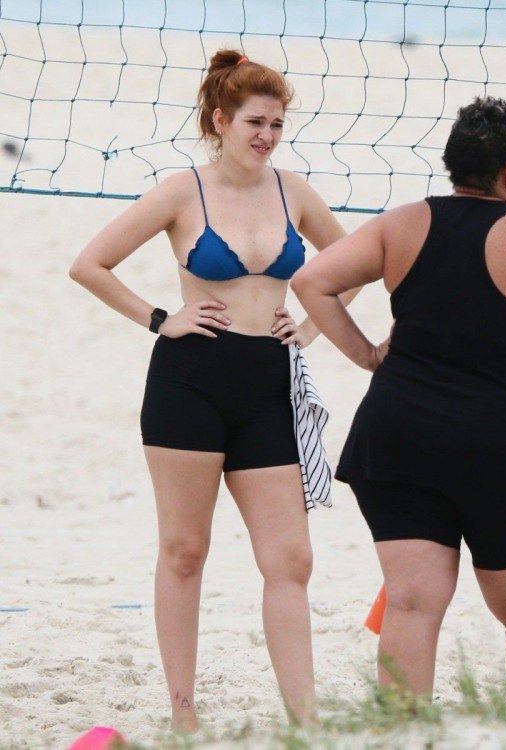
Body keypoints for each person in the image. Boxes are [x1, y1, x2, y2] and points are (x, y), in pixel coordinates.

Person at [291, 96, 506, 715]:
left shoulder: (402, 223)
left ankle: (403, 737)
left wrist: (366, 355)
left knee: (412, 602)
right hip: (495, 447)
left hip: (397, 436)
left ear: (452, 164)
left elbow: (311, 282)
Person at [69, 50, 353, 730]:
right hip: (189, 381)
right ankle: (183, 712)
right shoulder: (180, 192)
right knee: (184, 550)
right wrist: (162, 320)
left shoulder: (294, 191)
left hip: (267, 383)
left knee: (291, 558)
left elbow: (353, 264)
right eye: (256, 121)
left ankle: (305, 720)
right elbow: (89, 264)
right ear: (221, 120)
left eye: (278, 124)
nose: (268, 135)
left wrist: (312, 328)